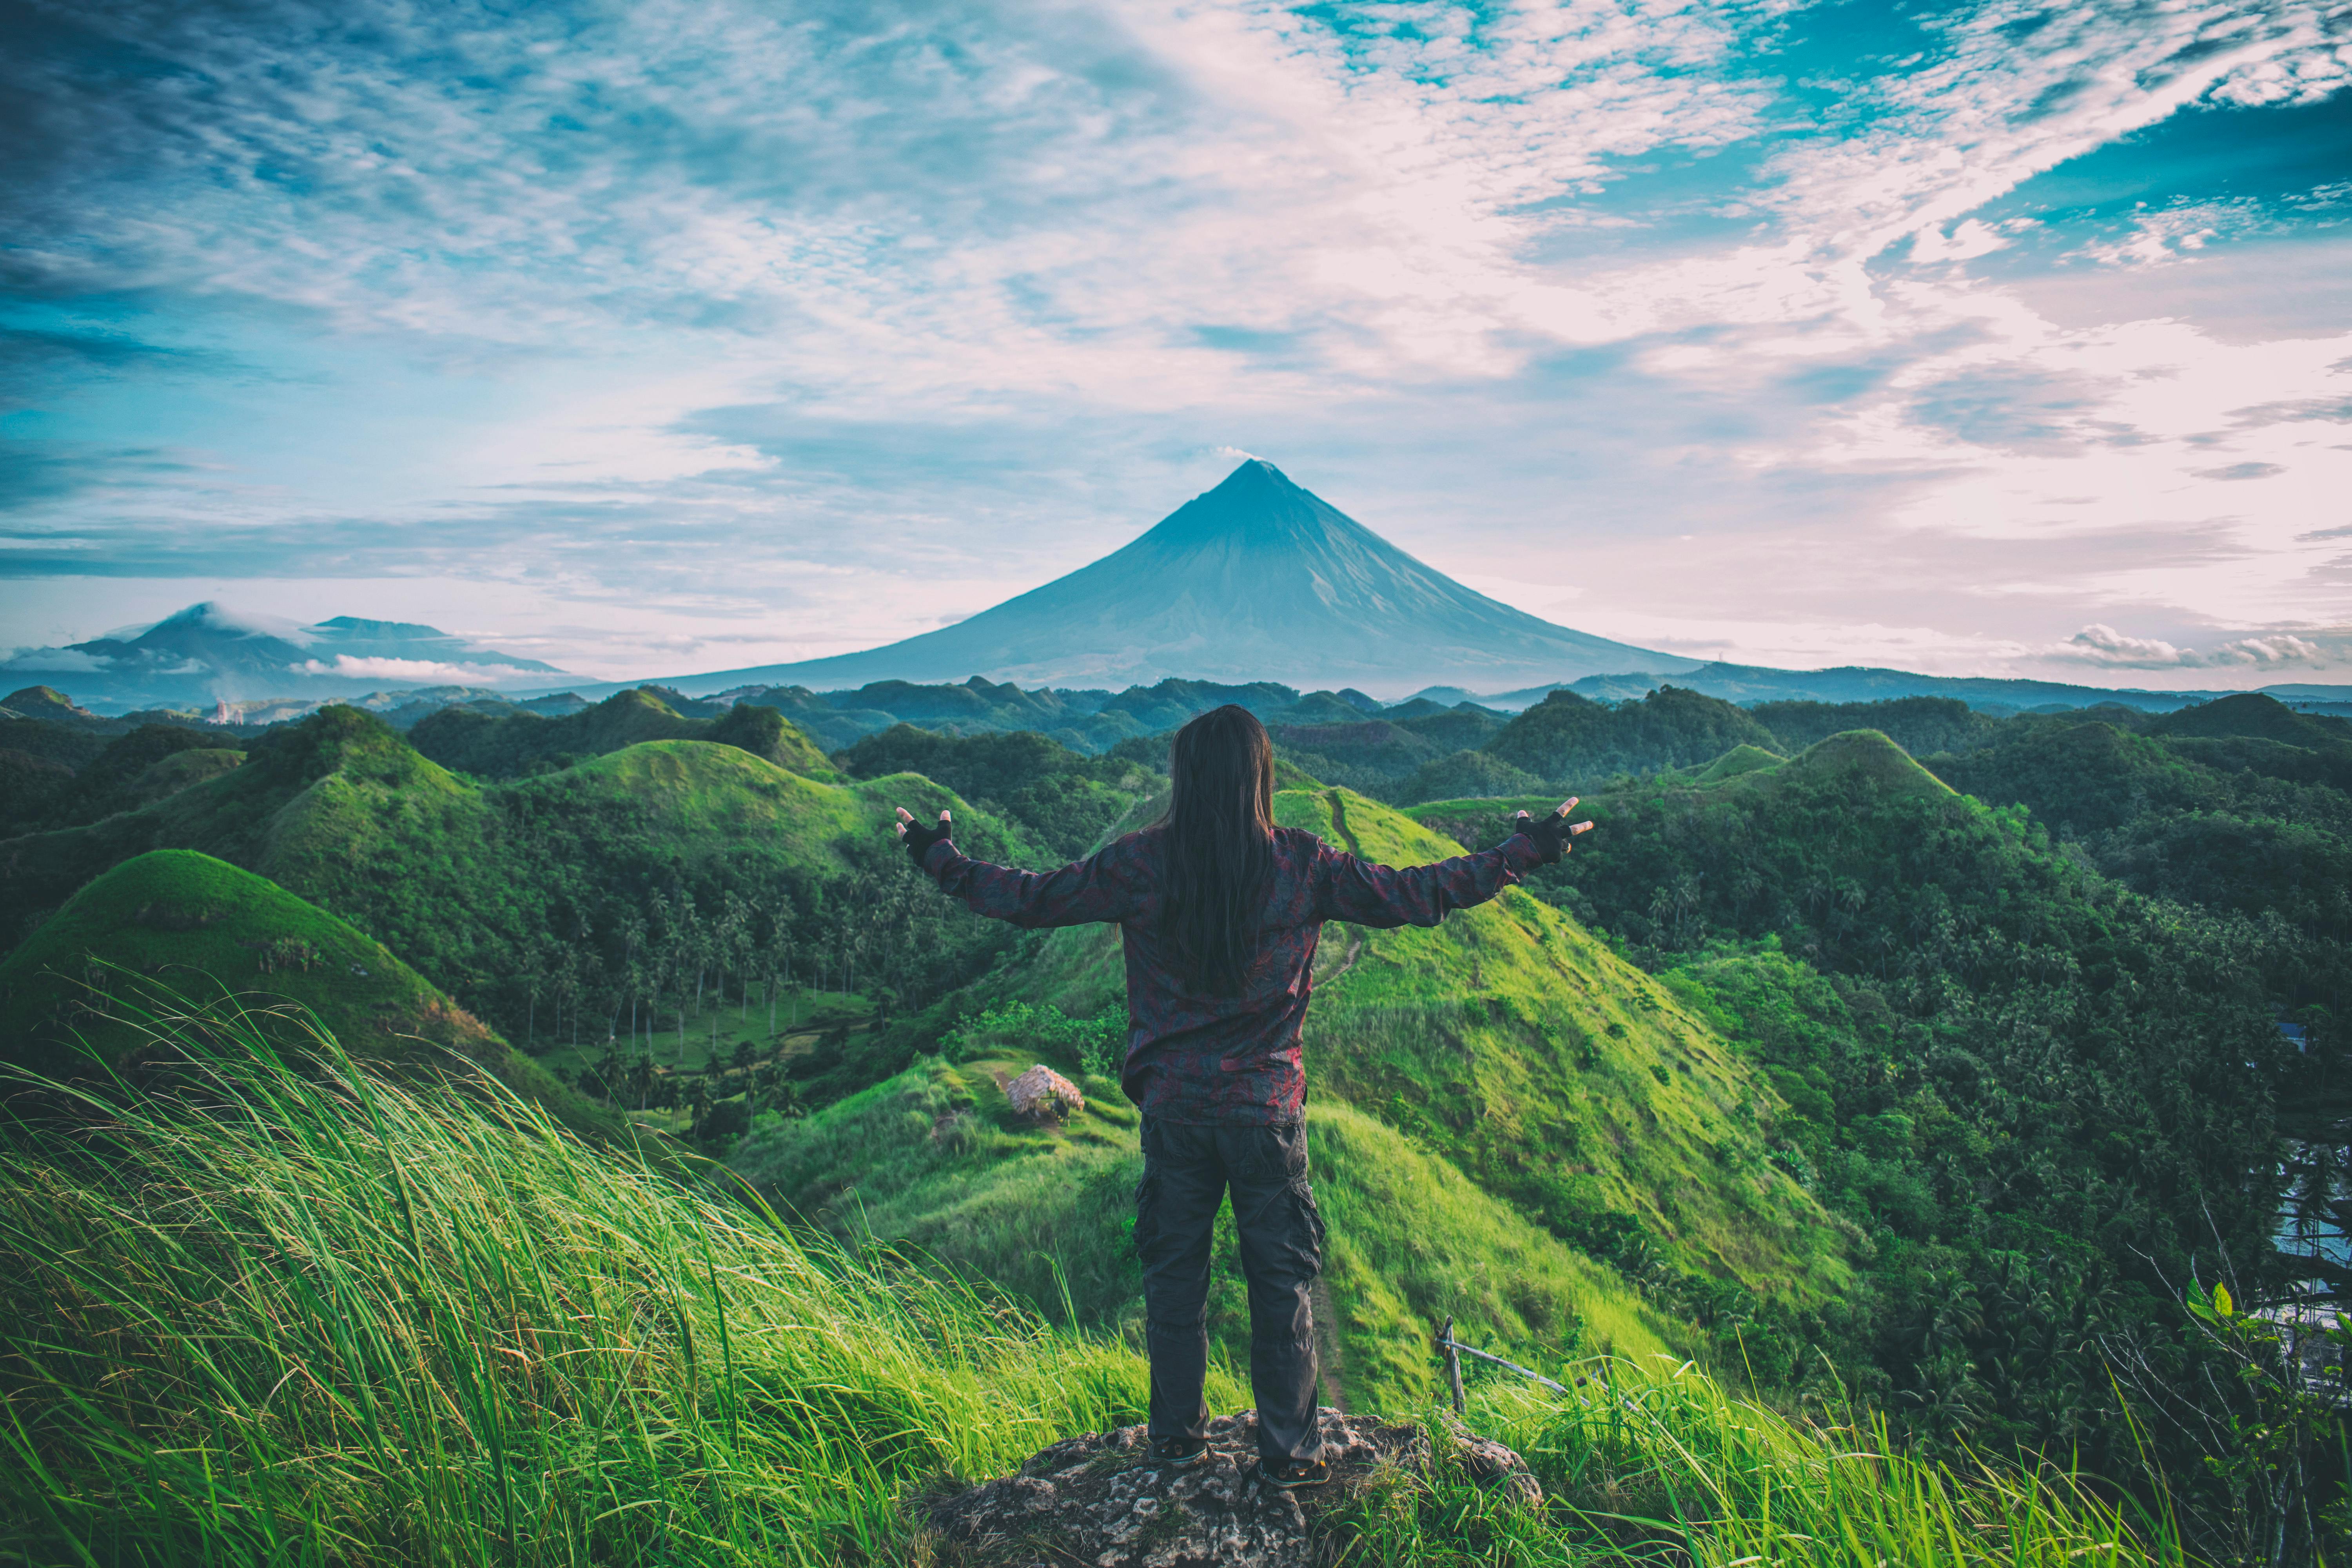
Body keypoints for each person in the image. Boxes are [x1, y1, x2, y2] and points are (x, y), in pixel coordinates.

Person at [892, 704, 1590, 1488]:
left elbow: (1030, 897)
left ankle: (1176, 1443)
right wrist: (1521, 852)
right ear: (1261, 776)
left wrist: (939, 857)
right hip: (1266, 1113)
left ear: (1186, 778)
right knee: (1283, 1286)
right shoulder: (1303, 863)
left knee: (1175, 1283)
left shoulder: (1141, 863)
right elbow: (1416, 893)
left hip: (1177, 1114)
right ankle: (1291, 1456)